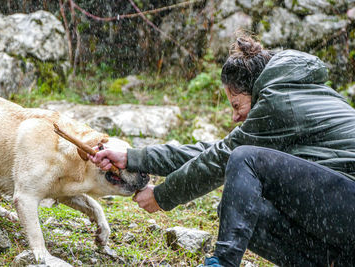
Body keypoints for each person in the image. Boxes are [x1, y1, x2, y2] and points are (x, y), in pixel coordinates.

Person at [90, 34, 355, 266]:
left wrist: (161, 196)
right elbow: (215, 152)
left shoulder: (279, 101)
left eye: (237, 105)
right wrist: (134, 158)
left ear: (253, 90)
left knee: (244, 158)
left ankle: (222, 264)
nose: (235, 118)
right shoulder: (296, 90)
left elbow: (222, 158)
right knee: (240, 210)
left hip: (347, 205)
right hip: (343, 216)